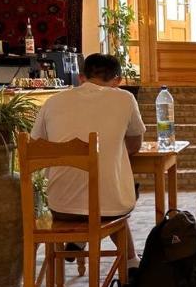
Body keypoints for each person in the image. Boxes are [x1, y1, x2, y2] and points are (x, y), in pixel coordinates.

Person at [30, 53, 146, 270]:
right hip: (107, 208)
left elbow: (37, 147)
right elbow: (134, 145)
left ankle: (78, 241)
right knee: (113, 199)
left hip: (60, 205)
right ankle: (131, 264)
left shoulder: (53, 101)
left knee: (95, 199)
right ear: (118, 81)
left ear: (81, 77)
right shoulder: (124, 98)